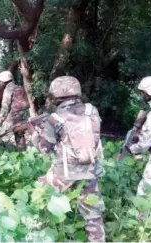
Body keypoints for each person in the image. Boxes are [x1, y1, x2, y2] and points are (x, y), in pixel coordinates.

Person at [31, 76, 105, 242]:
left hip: (65, 172)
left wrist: (36, 136)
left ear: (56, 96)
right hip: (91, 169)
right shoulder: (92, 111)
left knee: (41, 194)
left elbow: (45, 149)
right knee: (93, 213)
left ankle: (38, 230)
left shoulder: (54, 118)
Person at [0, 70, 29, 149]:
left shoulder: (8, 90)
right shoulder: (20, 87)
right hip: (24, 118)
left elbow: (5, 108)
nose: (0, 84)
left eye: (0, 82)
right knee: (20, 134)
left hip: (14, 119)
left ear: (3, 81)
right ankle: (22, 152)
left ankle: (0, 152)